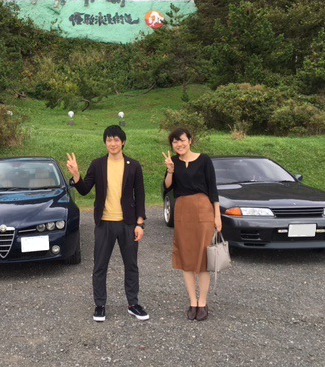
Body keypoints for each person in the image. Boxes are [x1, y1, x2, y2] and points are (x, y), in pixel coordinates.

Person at [66, 125, 148, 322]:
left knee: (131, 265)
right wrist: (76, 175)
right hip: (104, 223)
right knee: (100, 266)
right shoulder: (98, 164)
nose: (113, 143)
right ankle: (100, 305)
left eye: (116, 140)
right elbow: (85, 189)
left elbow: (140, 195)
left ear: (123, 142)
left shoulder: (134, 165)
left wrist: (140, 224)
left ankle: (133, 304)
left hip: (128, 224)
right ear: (105, 142)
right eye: (109, 140)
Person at [162, 128, 222, 321]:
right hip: (182, 210)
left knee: (203, 258)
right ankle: (192, 301)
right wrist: (170, 170)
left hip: (204, 209)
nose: (179, 144)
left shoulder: (204, 160)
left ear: (190, 140)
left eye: (182, 140)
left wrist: (217, 216)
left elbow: (213, 189)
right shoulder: (173, 162)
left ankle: (203, 302)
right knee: (186, 257)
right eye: (175, 142)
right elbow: (167, 186)